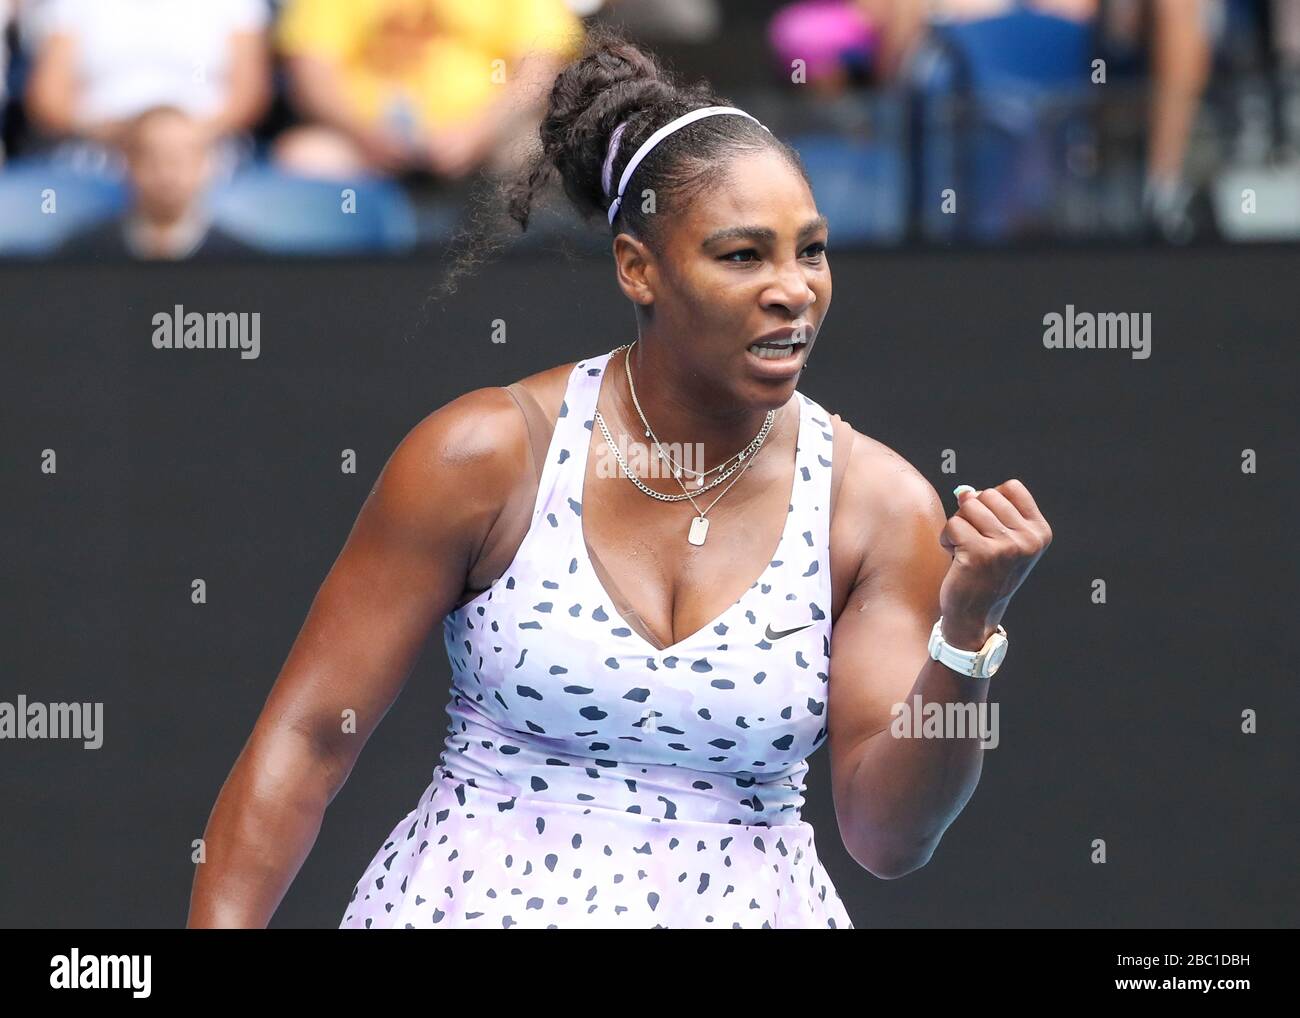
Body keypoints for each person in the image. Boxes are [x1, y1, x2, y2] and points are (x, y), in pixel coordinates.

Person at [187, 26, 1052, 929]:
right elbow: (307, 741)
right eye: (742, 254)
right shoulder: (487, 454)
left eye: (812, 250)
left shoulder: (876, 505)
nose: (794, 288)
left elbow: (887, 837)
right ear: (639, 268)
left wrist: (966, 633)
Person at [272, 0, 583, 180]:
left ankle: (513, 280)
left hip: (488, 142)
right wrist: (363, 132)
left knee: (537, 152)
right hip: (361, 146)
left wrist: (477, 131)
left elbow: (541, 65)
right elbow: (311, 71)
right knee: (303, 158)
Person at [58, 106, 257, 260]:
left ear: (207, 165)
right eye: (153, 158)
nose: (167, 173)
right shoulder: (83, 254)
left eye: (181, 159)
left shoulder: (242, 260)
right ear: (128, 163)